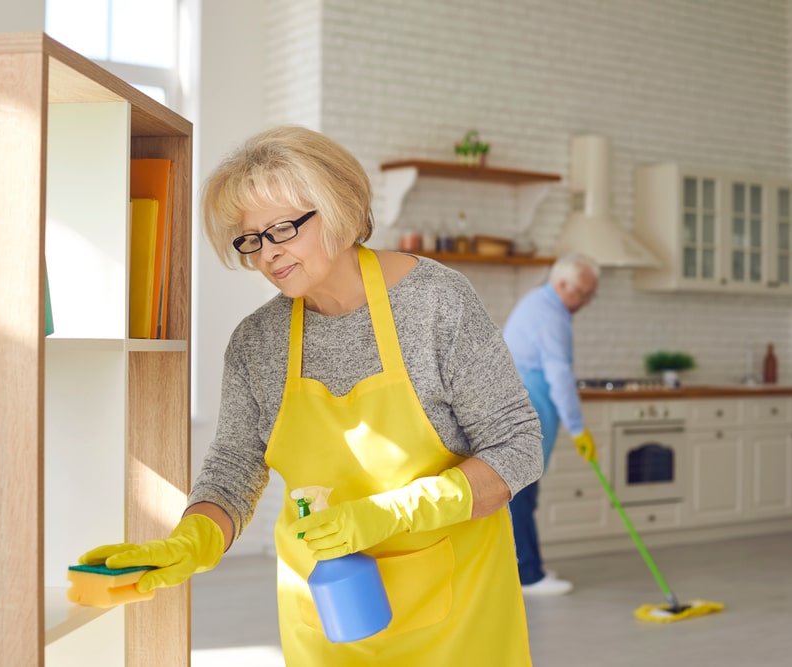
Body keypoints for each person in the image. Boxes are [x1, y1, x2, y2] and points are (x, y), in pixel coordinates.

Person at [78, 125, 543, 665]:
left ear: (339, 208)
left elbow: (518, 447)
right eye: (251, 240)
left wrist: (389, 514)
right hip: (324, 615)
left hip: (455, 617)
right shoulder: (257, 342)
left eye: (282, 230)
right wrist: (192, 540)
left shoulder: (436, 304)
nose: (268, 255)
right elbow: (233, 469)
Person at [502, 252, 600, 595]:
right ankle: (528, 575)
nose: (586, 302)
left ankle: (521, 570)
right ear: (562, 285)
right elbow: (560, 376)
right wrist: (577, 428)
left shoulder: (542, 304)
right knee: (521, 496)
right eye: (583, 294)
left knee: (523, 493)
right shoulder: (550, 317)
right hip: (526, 411)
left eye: (591, 295)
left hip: (523, 410)